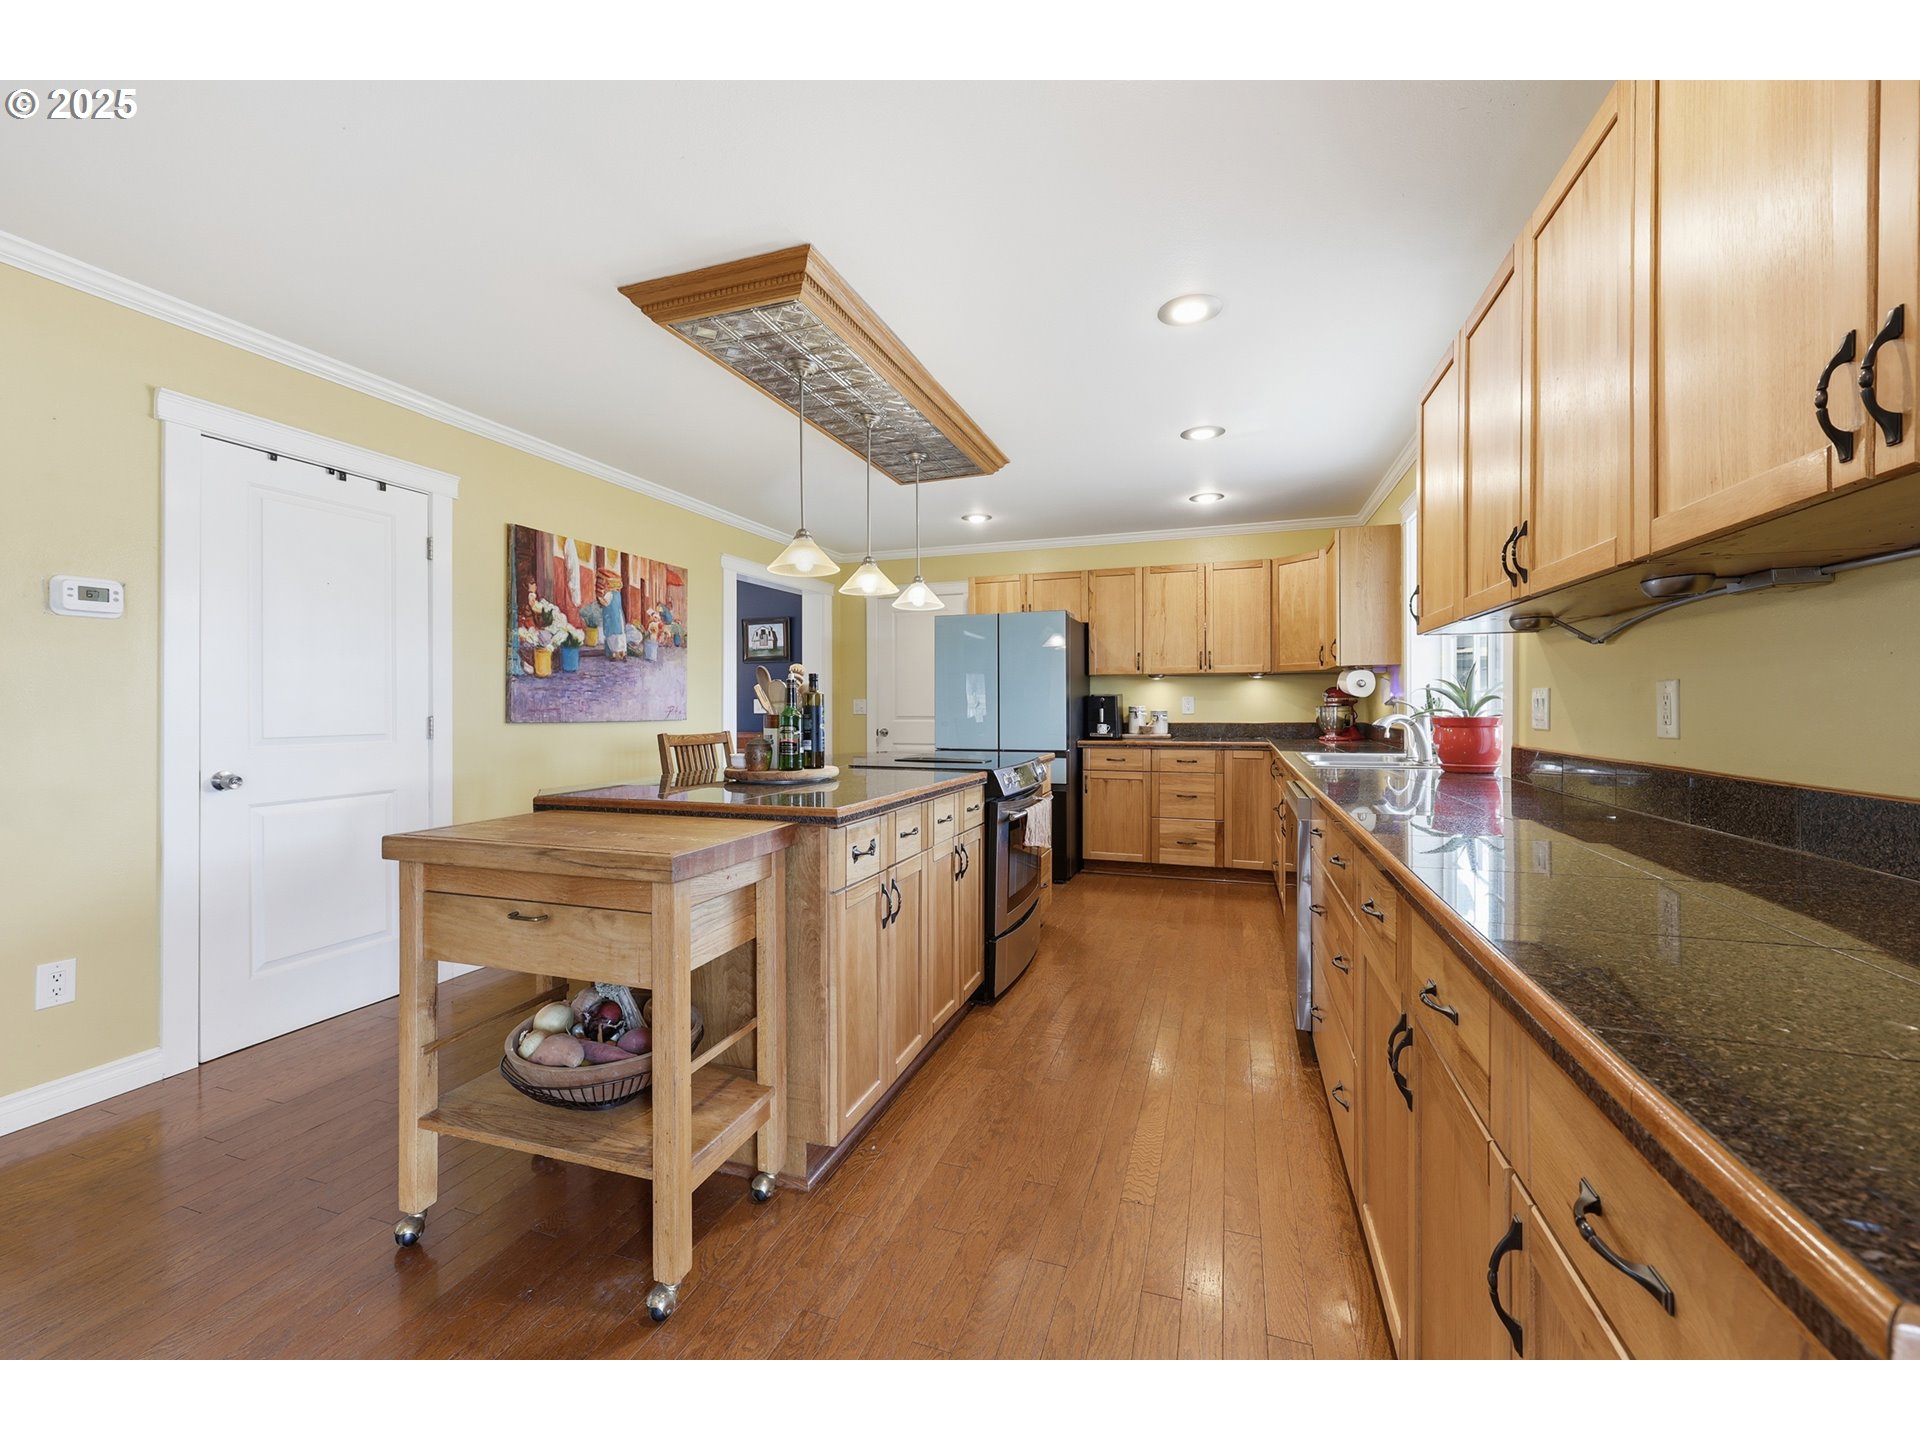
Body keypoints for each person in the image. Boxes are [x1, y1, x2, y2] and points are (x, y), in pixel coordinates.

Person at [597, 569, 627, 661]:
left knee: (612, 637)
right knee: (620, 636)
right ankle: (623, 654)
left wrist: (599, 598)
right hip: (618, 617)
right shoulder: (618, 594)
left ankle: (614, 655)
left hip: (611, 618)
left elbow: (605, 603)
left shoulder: (609, 594)